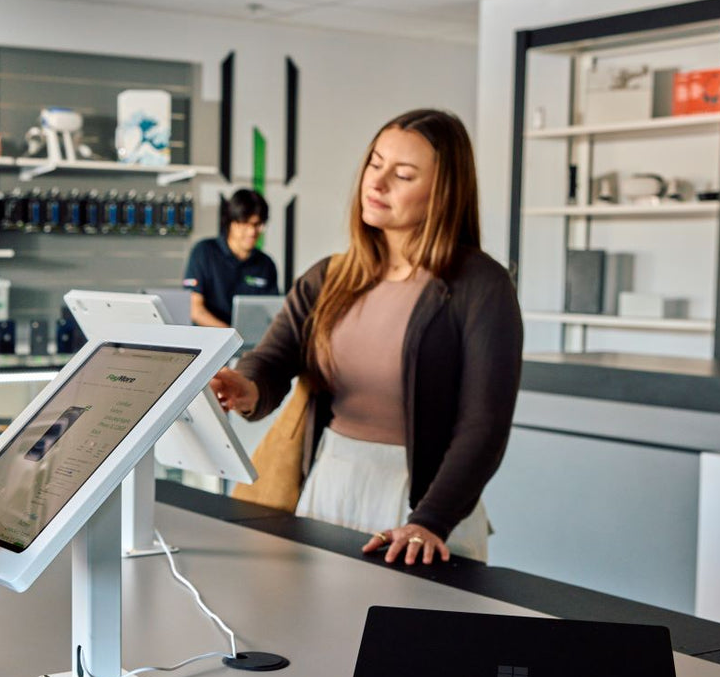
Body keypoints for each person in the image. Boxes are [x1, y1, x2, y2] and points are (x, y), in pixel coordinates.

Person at [210, 109, 522, 565]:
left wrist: (431, 520)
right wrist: (247, 385)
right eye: (375, 164)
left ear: (444, 193)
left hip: (428, 506)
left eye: (403, 175)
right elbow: (274, 358)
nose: (377, 183)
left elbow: (484, 426)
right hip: (330, 483)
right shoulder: (329, 277)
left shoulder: (482, 286)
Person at [183, 187, 280, 327]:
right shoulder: (203, 253)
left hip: (251, 338)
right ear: (231, 222)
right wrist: (231, 334)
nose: (252, 232)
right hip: (209, 337)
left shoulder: (266, 264)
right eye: (245, 224)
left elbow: (271, 313)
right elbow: (195, 309)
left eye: (257, 224)